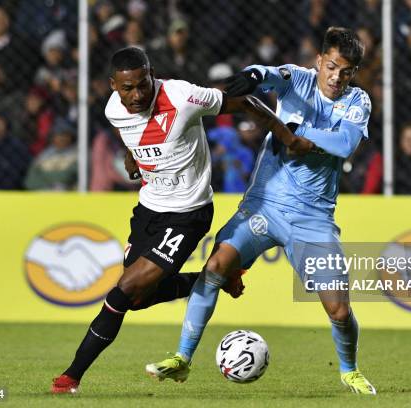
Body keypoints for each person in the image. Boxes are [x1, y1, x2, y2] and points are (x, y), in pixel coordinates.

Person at [51, 46, 312, 394]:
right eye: (127, 88)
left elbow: (248, 104)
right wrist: (132, 156)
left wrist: (289, 138)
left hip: (188, 214)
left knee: (124, 291)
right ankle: (217, 277)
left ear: (151, 75)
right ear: (114, 85)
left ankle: (70, 377)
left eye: (143, 84)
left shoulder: (183, 96)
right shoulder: (114, 109)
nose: (137, 94)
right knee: (139, 299)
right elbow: (128, 131)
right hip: (148, 209)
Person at [147, 27, 377, 395]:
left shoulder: (357, 102)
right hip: (264, 207)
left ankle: (349, 370)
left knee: (338, 310)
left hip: (312, 219)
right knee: (216, 267)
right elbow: (271, 74)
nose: (337, 77)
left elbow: (345, 142)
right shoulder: (298, 79)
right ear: (319, 61)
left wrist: (295, 131)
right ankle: (182, 358)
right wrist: (253, 75)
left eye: (346, 71)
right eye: (331, 66)